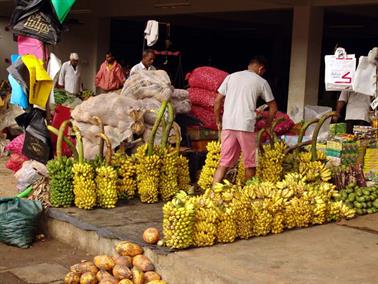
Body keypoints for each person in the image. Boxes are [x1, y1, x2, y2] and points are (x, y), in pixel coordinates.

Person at [213, 56, 277, 184]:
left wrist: (218, 120)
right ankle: (246, 195)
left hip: (228, 124)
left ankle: (213, 192)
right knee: (250, 163)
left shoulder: (231, 77)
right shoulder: (261, 81)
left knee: (224, 162)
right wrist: (268, 125)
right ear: (261, 68)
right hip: (246, 125)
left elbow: (217, 100)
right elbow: (273, 107)